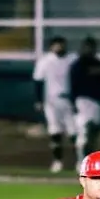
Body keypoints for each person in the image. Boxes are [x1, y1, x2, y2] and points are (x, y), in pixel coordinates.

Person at [32, 35, 79, 174]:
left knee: (74, 132)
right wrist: (38, 100)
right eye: (56, 45)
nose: (59, 47)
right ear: (52, 47)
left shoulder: (73, 59)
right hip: (51, 101)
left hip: (69, 101)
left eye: (62, 44)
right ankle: (58, 161)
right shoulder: (45, 61)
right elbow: (38, 81)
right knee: (55, 131)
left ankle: (79, 161)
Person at [69, 36, 100, 172]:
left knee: (94, 132)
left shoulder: (97, 63)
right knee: (85, 131)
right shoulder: (78, 64)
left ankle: (90, 161)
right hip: (83, 100)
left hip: (96, 101)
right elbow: (73, 85)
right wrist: (73, 102)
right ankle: (81, 162)